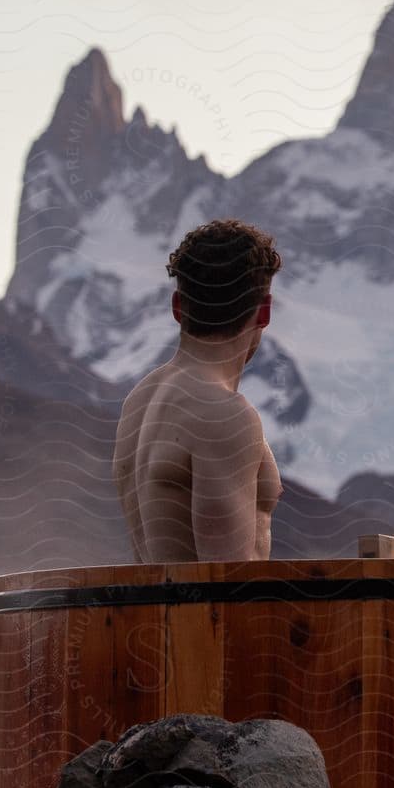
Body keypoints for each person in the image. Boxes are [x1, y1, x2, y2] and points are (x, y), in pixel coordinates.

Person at [113, 218, 283, 562]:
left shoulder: (139, 401)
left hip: (161, 614)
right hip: (207, 616)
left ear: (177, 307)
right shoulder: (224, 413)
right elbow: (226, 583)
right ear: (263, 311)